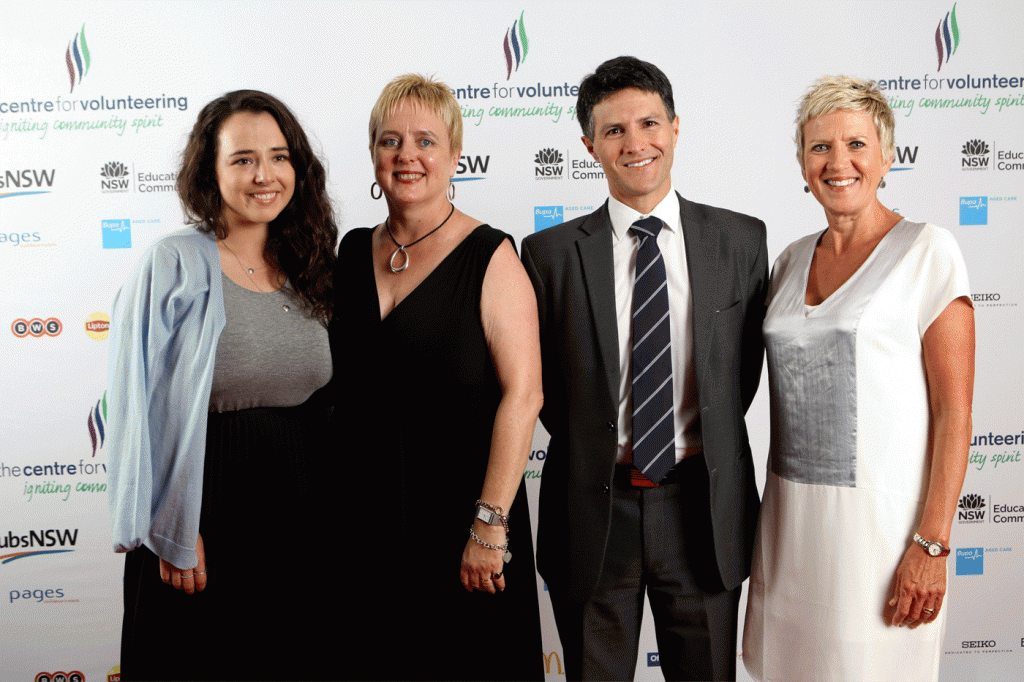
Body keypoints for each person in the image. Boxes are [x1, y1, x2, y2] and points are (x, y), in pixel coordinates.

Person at [520, 56, 768, 681]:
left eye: (650, 123)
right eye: (614, 131)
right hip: (594, 512)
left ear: (676, 127)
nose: (637, 144)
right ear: (589, 145)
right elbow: (548, 390)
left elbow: (738, 380)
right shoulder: (548, 255)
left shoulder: (740, 240)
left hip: (704, 510)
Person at [742, 75, 974, 682]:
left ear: (887, 155)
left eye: (856, 145)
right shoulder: (789, 260)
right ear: (801, 162)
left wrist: (931, 545)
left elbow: (954, 413)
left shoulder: (929, 251)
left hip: (882, 536)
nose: (837, 162)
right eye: (820, 147)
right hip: (791, 530)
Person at [107, 90, 338, 681]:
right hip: (203, 520)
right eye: (242, 159)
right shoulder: (174, 262)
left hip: (295, 528)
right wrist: (173, 530)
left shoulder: (310, 267)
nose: (265, 175)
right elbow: (136, 409)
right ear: (210, 171)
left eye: (279, 156)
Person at [329, 74, 544, 681]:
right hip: (365, 526)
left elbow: (524, 395)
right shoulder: (347, 254)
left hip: (463, 526)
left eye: (425, 140)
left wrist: (490, 525)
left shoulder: (492, 256)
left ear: (454, 155)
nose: (407, 155)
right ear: (373, 155)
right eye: (390, 140)